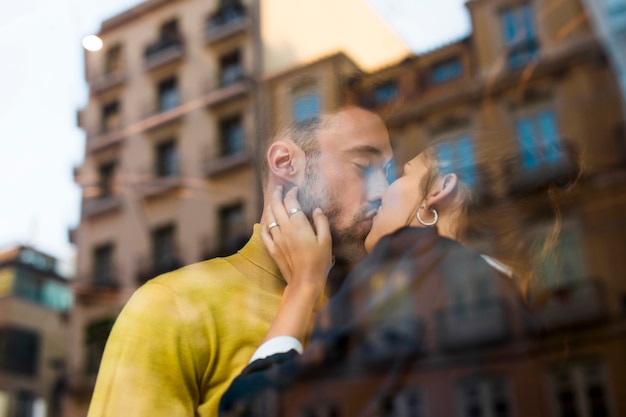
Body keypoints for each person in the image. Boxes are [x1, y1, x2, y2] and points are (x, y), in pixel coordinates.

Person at [219, 137, 580, 416]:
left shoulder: (408, 263)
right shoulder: (509, 290)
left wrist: (302, 286)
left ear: (439, 190)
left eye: (400, 176)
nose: (379, 194)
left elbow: (249, 407)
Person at [86, 106, 394, 417]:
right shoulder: (171, 305)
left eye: (386, 172)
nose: (383, 190)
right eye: (364, 166)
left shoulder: (356, 326)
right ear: (286, 164)